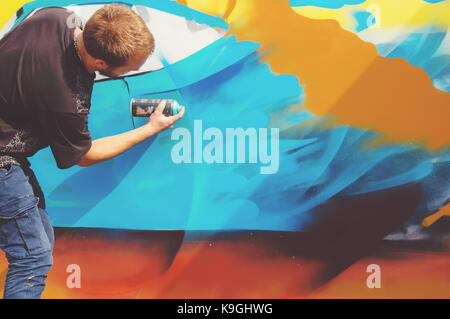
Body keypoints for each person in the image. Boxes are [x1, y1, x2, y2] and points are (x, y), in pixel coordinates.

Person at [0, 3, 184, 299]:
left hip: (9, 152)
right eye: (130, 68)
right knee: (32, 259)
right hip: (2, 162)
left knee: (41, 240)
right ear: (100, 62)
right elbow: (84, 156)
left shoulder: (53, 15)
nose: (135, 71)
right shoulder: (67, 96)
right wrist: (149, 129)